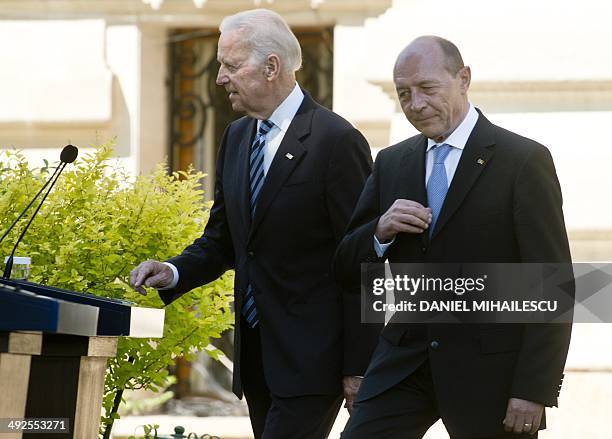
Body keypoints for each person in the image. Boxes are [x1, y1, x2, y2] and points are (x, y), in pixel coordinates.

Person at [130, 9, 380, 439]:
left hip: (312, 362)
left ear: (271, 67)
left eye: (230, 65)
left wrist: (359, 367)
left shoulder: (336, 141)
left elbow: (362, 262)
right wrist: (171, 270)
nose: (220, 79)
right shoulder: (237, 136)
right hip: (258, 360)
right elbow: (224, 241)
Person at [334, 36, 572, 438]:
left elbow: (555, 283)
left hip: (489, 369)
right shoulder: (392, 162)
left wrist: (534, 389)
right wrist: (379, 232)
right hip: (404, 361)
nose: (415, 104)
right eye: (403, 93)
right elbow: (343, 268)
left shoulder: (523, 161)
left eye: (427, 89)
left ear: (464, 79)